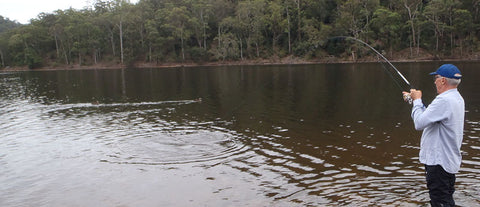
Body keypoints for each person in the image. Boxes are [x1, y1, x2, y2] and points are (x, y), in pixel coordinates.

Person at [403, 64, 465, 206]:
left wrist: (417, 100)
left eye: (436, 78)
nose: (434, 81)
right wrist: (414, 101)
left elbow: (419, 123)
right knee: (446, 198)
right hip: (448, 161)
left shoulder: (443, 100)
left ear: (443, 80)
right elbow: (430, 117)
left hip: (439, 162)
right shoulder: (457, 98)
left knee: (440, 201)